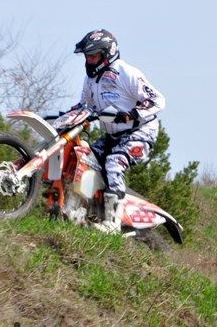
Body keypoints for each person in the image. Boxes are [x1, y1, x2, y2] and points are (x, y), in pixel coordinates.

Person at [71, 29, 165, 233]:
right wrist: (67, 115)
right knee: (83, 157)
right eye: (87, 56)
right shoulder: (90, 79)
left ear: (107, 54)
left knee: (114, 163)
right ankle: (85, 208)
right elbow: (83, 106)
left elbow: (158, 100)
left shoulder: (126, 73)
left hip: (140, 131)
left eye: (94, 55)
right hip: (113, 135)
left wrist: (132, 114)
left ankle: (112, 222)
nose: (89, 60)